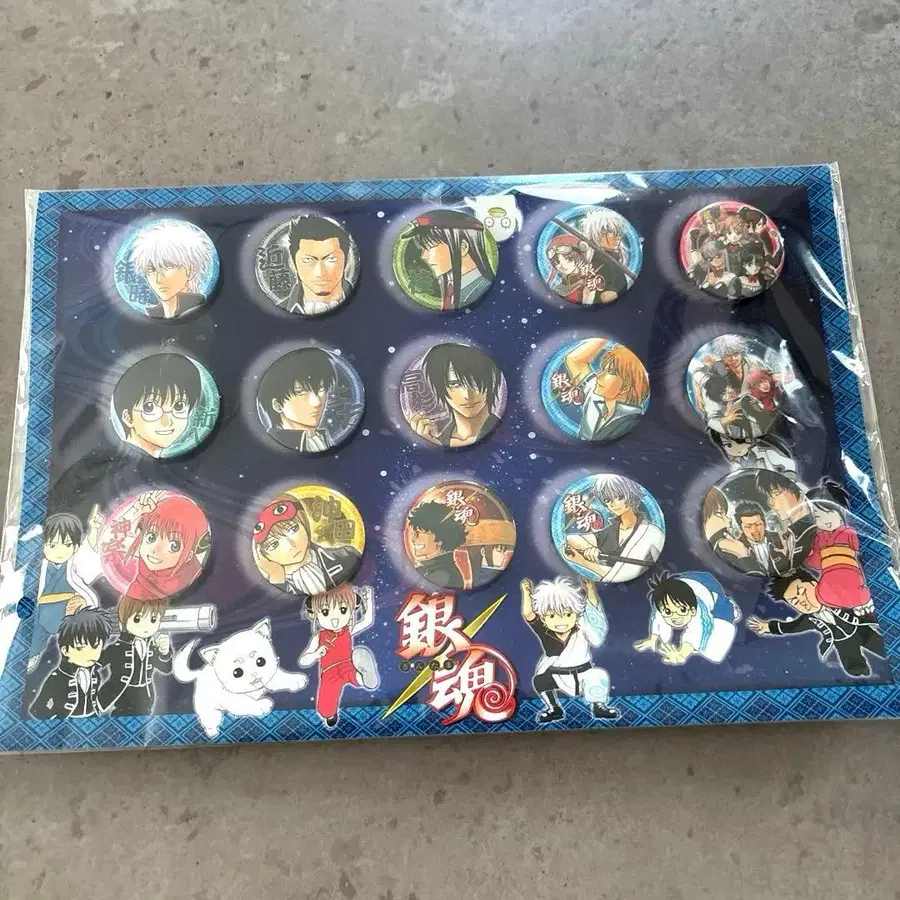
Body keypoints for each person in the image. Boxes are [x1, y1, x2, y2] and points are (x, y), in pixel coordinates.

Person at [748, 570, 885, 677]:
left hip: (860, 629)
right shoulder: (809, 619)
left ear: (815, 584)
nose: (802, 601)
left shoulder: (836, 597)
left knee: (880, 646)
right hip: (842, 642)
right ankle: (864, 677)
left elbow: (855, 596)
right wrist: (769, 627)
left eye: (802, 592)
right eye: (795, 601)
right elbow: (792, 626)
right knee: (854, 667)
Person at [521, 576, 618, 723]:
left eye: (567, 614)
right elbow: (529, 614)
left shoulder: (582, 628)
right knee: (540, 681)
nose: (561, 621)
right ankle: (554, 708)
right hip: (557, 674)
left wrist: (590, 590)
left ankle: (599, 707)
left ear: (576, 614)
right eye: (552, 616)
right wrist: (526, 593)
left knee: (598, 675)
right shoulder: (544, 631)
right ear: (544, 619)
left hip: (583, 672)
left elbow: (593, 611)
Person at [27, 509, 103, 673]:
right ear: (44, 545)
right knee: (35, 634)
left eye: (67, 545)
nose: (60, 551)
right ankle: (32, 653)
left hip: (67, 610)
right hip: (41, 611)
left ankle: (79, 656)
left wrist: (94, 530)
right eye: (53, 545)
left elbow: (88, 553)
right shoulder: (38, 567)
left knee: (80, 630)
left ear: (75, 546)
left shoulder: (73, 565)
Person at [298, 584, 379, 728]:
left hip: (347, 663)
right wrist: (315, 654)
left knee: (354, 676)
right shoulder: (319, 637)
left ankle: (365, 676)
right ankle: (330, 714)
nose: (335, 619)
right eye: (325, 612)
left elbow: (367, 620)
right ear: (315, 614)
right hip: (329, 672)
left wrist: (368, 600)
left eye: (343, 610)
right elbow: (304, 661)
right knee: (325, 707)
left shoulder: (347, 630)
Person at [564, 475, 664, 583]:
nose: (612, 504)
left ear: (631, 496)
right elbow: (571, 539)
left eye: (619, 497)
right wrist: (590, 548)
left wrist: (582, 561)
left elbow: (621, 575)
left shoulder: (651, 533)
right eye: (607, 500)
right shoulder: (610, 531)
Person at [253, 495, 360, 596]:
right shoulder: (272, 586)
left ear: (304, 523)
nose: (290, 545)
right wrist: (278, 580)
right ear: (261, 554)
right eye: (273, 544)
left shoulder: (346, 556)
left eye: (293, 529)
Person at [113, 491, 209, 602]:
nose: (155, 549)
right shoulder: (140, 579)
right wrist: (136, 511)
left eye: (173, 546)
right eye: (151, 537)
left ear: (189, 556)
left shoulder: (192, 578)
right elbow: (113, 540)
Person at [634, 571, 741, 665]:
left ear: (693, 610)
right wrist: (652, 639)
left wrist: (682, 654)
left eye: (682, 610)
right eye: (668, 612)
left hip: (710, 587)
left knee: (718, 643)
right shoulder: (663, 603)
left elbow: (697, 632)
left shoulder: (699, 610)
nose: (675, 617)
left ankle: (731, 607)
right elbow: (657, 618)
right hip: (687, 579)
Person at [409, 343, 503, 447]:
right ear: (440, 387)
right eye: (454, 384)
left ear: (491, 382)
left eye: (475, 383)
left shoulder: (505, 432)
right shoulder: (437, 441)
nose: (467, 395)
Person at [112, 353, 203, 458]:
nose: (167, 422)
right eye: (149, 408)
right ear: (128, 417)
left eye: (179, 406)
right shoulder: (122, 458)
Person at [804, 481, 875, 616]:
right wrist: (808, 555)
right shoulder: (818, 538)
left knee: (854, 587)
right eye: (817, 517)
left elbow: (861, 549)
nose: (825, 520)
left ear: (841, 510)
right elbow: (816, 563)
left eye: (830, 512)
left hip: (849, 570)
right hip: (828, 573)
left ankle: (862, 601)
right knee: (823, 594)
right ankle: (851, 604)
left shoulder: (849, 532)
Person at [29, 609, 114, 719]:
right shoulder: (57, 678)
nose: (90, 654)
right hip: (66, 722)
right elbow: (37, 708)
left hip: (92, 719)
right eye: (80, 648)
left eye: (95, 646)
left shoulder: (95, 675)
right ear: (65, 651)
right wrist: (54, 720)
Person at [562, 338, 649, 442]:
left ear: (624, 387)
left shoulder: (633, 421)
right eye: (603, 370)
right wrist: (606, 337)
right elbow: (573, 360)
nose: (599, 376)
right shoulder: (595, 395)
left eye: (610, 372)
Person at [405, 210, 496, 310]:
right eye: (423, 248)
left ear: (462, 247)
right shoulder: (452, 291)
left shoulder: (479, 290)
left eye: (430, 246)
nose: (424, 256)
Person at [98, 595, 173, 715]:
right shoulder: (118, 647)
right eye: (137, 619)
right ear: (124, 620)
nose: (146, 626)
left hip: (147, 697)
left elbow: (166, 669)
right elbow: (96, 663)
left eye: (153, 619)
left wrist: (165, 652)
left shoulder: (152, 646)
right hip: (121, 695)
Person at [129, 219, 216, 319]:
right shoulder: (151, 314)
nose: (158, 280)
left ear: (191, 270)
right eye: (150, 269)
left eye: (168, 266)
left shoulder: (200, 308)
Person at [257, 348, 339, 452]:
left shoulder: (324, 440)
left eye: (321, 390)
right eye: (301, 393)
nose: (317, 402)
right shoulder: (275, 447)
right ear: (277, 405)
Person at [282, 216, 354, 316]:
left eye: (331, 259)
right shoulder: (279, 310)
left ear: (347, 260)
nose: (320, 273)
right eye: (308, 260)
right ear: (292, 264)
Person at [755, 470, 817, 562]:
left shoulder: (812, 532)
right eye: (768, 496)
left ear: (799, 491)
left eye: (776, 493)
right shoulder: (793, 534)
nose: (770, 503)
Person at [713, 502, 789, 576]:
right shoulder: (737, 549)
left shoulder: (780, 539)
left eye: (758, 524)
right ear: (741, 528)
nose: (754, 530)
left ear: (764, 524)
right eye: (748, 526)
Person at [405, 500, 467, 589]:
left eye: (420, 532)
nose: (413, 539)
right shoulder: (427, 570)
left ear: (441, 537)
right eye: (414, 533)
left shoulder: (442, 575)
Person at [707, 431, 797, 477]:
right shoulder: (735, 465)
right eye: (728, 445)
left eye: (741, 441)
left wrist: (789, 477)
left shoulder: (765, 452)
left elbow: (788, 464)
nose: (736, 448)